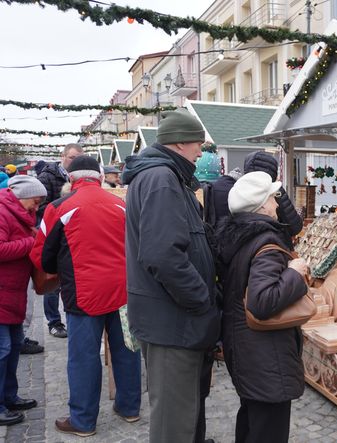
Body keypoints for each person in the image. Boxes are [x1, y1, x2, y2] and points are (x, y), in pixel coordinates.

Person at [122, 108, 220, 443]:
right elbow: (163, 255)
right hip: (172, 324)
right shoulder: (161, 179)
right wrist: (201, 300)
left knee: (185, 415)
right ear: (180, 143)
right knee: (172, 426)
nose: (201, 151)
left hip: (175, 321)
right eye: (197, 144)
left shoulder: (166, 176)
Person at [30, 156, 141, 437]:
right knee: (127, 349)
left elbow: (43, 256)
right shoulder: (122, 205)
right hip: (122, 290)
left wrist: (58, 270)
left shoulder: (59, 207)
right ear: (100, 177)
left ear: (71, 179)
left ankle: (83, 420)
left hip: (83, 293)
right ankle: (129, 407)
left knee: (83, 357)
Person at [216, 171, 309, 443]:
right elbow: (262, 301)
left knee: (252, 421)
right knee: (268, 429)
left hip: (246, 350)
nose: (278, 204)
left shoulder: (239, 237)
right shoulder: (266, 243)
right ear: (261, 206)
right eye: (272, 198)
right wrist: (295, 272)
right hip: (265, 356)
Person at [0, 176, 44, 426]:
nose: (36, 208)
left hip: (12, 293)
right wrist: (32, 242)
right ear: (21, 196)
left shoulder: (18, 215)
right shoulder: (2, 212)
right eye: (35, 202)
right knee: (3, 349)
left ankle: (9, 396)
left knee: (14, 346)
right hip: (3, 291)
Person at [36, 143, 84, 340]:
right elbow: (40, 205)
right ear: (63, 157)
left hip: (75, 234)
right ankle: (54, 322)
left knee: (72, 279)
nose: (75, 161)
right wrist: (61, 213)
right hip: (55, 232)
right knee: (52, 280)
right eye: (72, 157)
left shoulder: (81, 176)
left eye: (78, 158)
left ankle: (74, 316)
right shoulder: (47, 176)